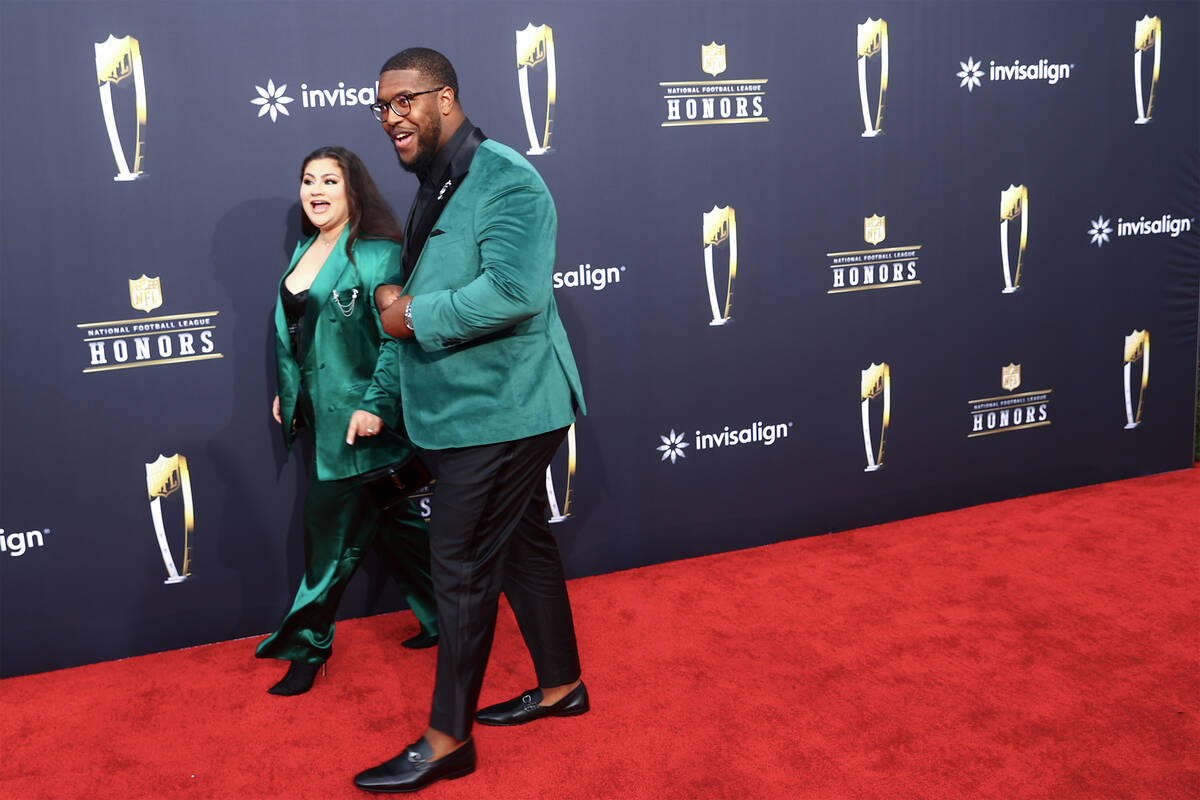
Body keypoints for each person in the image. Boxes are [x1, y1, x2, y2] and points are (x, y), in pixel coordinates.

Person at [352, 49, 587, 793]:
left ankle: (448, 738)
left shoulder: (507, 177)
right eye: (381, 106)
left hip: (507, 412)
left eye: (404, 101)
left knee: (458, 569)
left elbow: (515, 292)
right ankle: (561, 688)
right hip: (465, 411)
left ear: (446, 98)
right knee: (523, 547)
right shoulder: (437, 180)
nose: (392, 117)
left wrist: (410, 314)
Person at [256, 146, 438, 696]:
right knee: (394, 525)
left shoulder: (378, 253)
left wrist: (376, 405)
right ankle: (450, 614)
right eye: (308, 180)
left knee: (328, 540)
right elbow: (301, 333)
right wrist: (291, 394)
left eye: (329, 180)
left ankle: (308, 649)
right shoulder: (305, 249)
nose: (316, 190)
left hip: (362, 423)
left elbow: (393, 339)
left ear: (351, 189)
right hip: (323, 414)